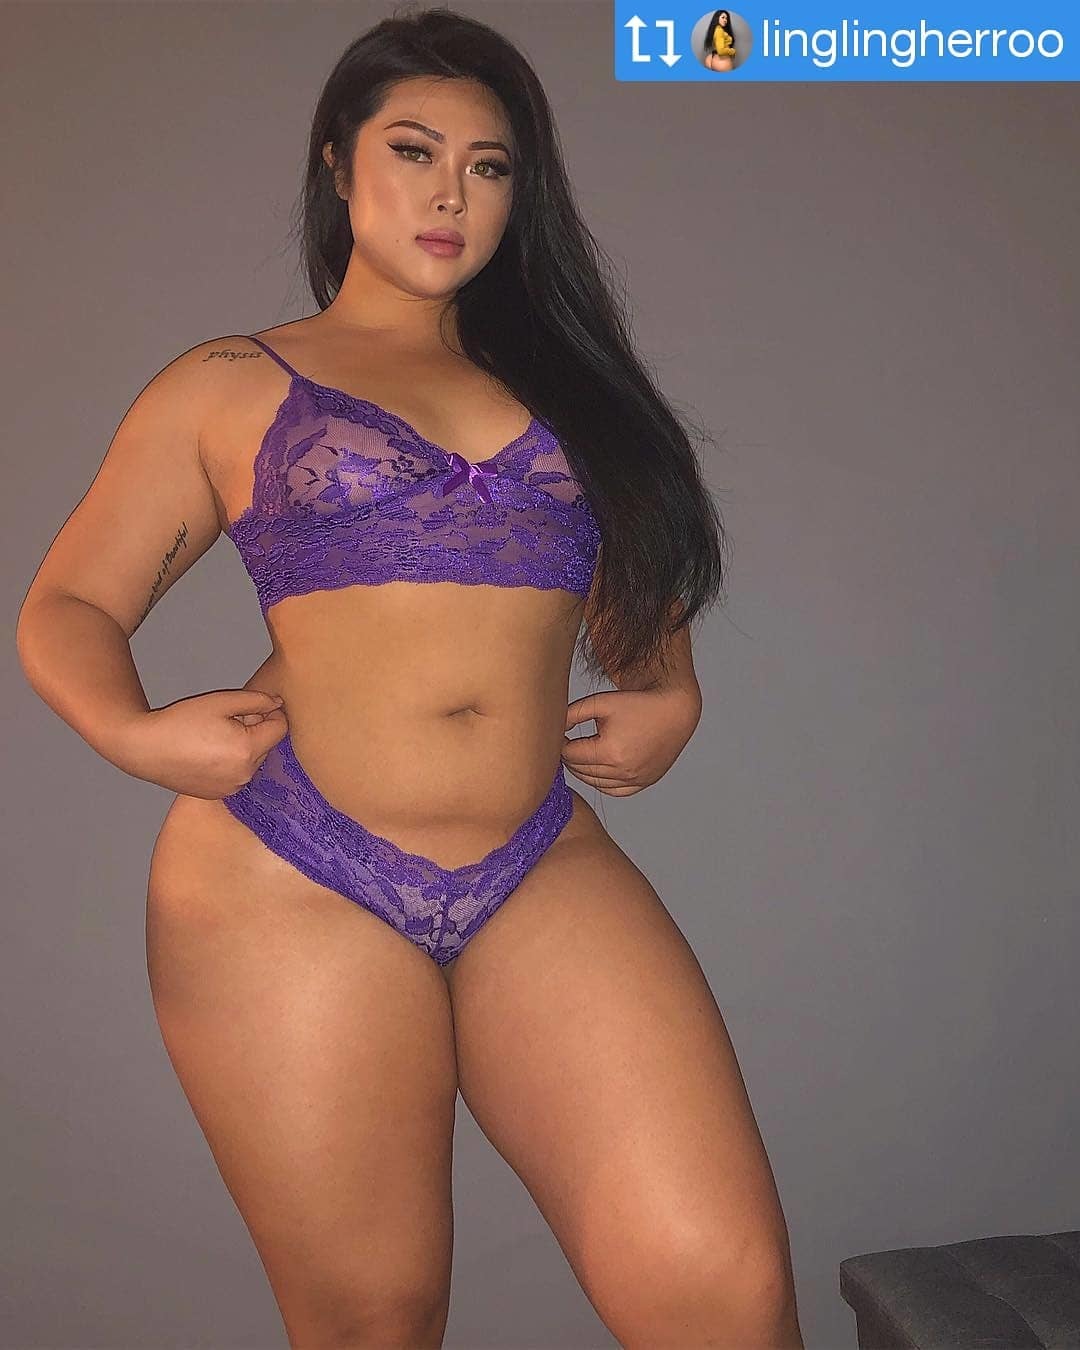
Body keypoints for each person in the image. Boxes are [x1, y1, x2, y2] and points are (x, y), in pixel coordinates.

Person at [15, 8, 804, 1348]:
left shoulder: (575, 387)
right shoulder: (228, 384)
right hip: (292, 863)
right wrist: (134, 732)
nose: (451, 192)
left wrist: (670, 691)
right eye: (414, 150)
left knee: (724, 1294)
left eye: (489, 166)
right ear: (338, 163)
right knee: (374, 1322)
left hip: (533, 858)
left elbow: (641, 581)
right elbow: (70, 603)